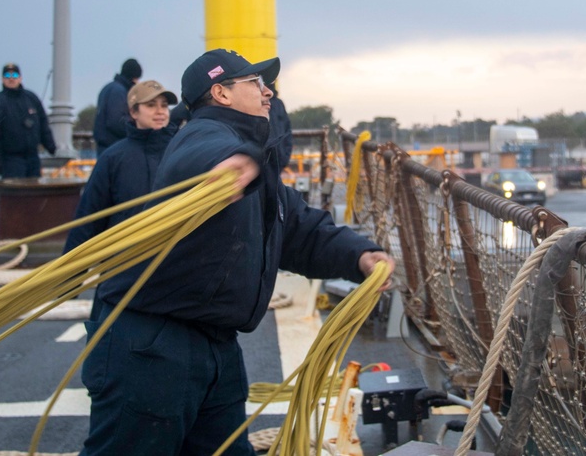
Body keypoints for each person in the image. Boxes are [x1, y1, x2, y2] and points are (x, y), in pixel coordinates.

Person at [78, 48, 394, 456]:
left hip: (215, 346)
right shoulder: (208, 140)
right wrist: (229, 164)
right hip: (152, 349)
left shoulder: (252, 161)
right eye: (255, 84)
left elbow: (298, 228)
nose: (268, 94)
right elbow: (197, 158)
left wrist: (361, 256)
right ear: (221, 94)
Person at [63, 79, 179, 254]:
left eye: (164, 106)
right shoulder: (113, 158)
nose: (160, 112)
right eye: (151, 105)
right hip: (123, 264)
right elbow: (89, 219)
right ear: (133, 112)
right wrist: (70, 277)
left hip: (171, 262)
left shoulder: (181, 152)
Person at [0, 63, 56, 178]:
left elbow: (43, 124)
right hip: (11, 161)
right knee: (17, 194)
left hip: (33, 159)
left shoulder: (31, 99)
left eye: (15, 75)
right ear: (2, 79)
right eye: (7, 75)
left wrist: (51, 147)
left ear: (20, 78)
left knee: (34, 193)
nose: (11, 78)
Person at [92, 58, 142, 155]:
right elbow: (116, 122)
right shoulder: (119, 92)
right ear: (132, 77)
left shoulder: (109, 88)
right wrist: (136, 130)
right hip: (113, 146)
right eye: (137, 78)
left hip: (104, 146)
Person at [268, 80, 293, 170]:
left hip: (279, 163)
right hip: (264, 165)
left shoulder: (278, 104)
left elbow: (287, 130)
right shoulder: (255, 103)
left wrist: (285, 157)